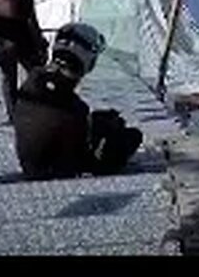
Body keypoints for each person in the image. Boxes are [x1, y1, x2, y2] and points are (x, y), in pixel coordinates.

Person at [13, 23, 144, 180]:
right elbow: (80, 156)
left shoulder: (33, 81)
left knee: (105, 123)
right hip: (54, 170)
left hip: (32, 165)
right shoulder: (75, 108)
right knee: (131, 136)